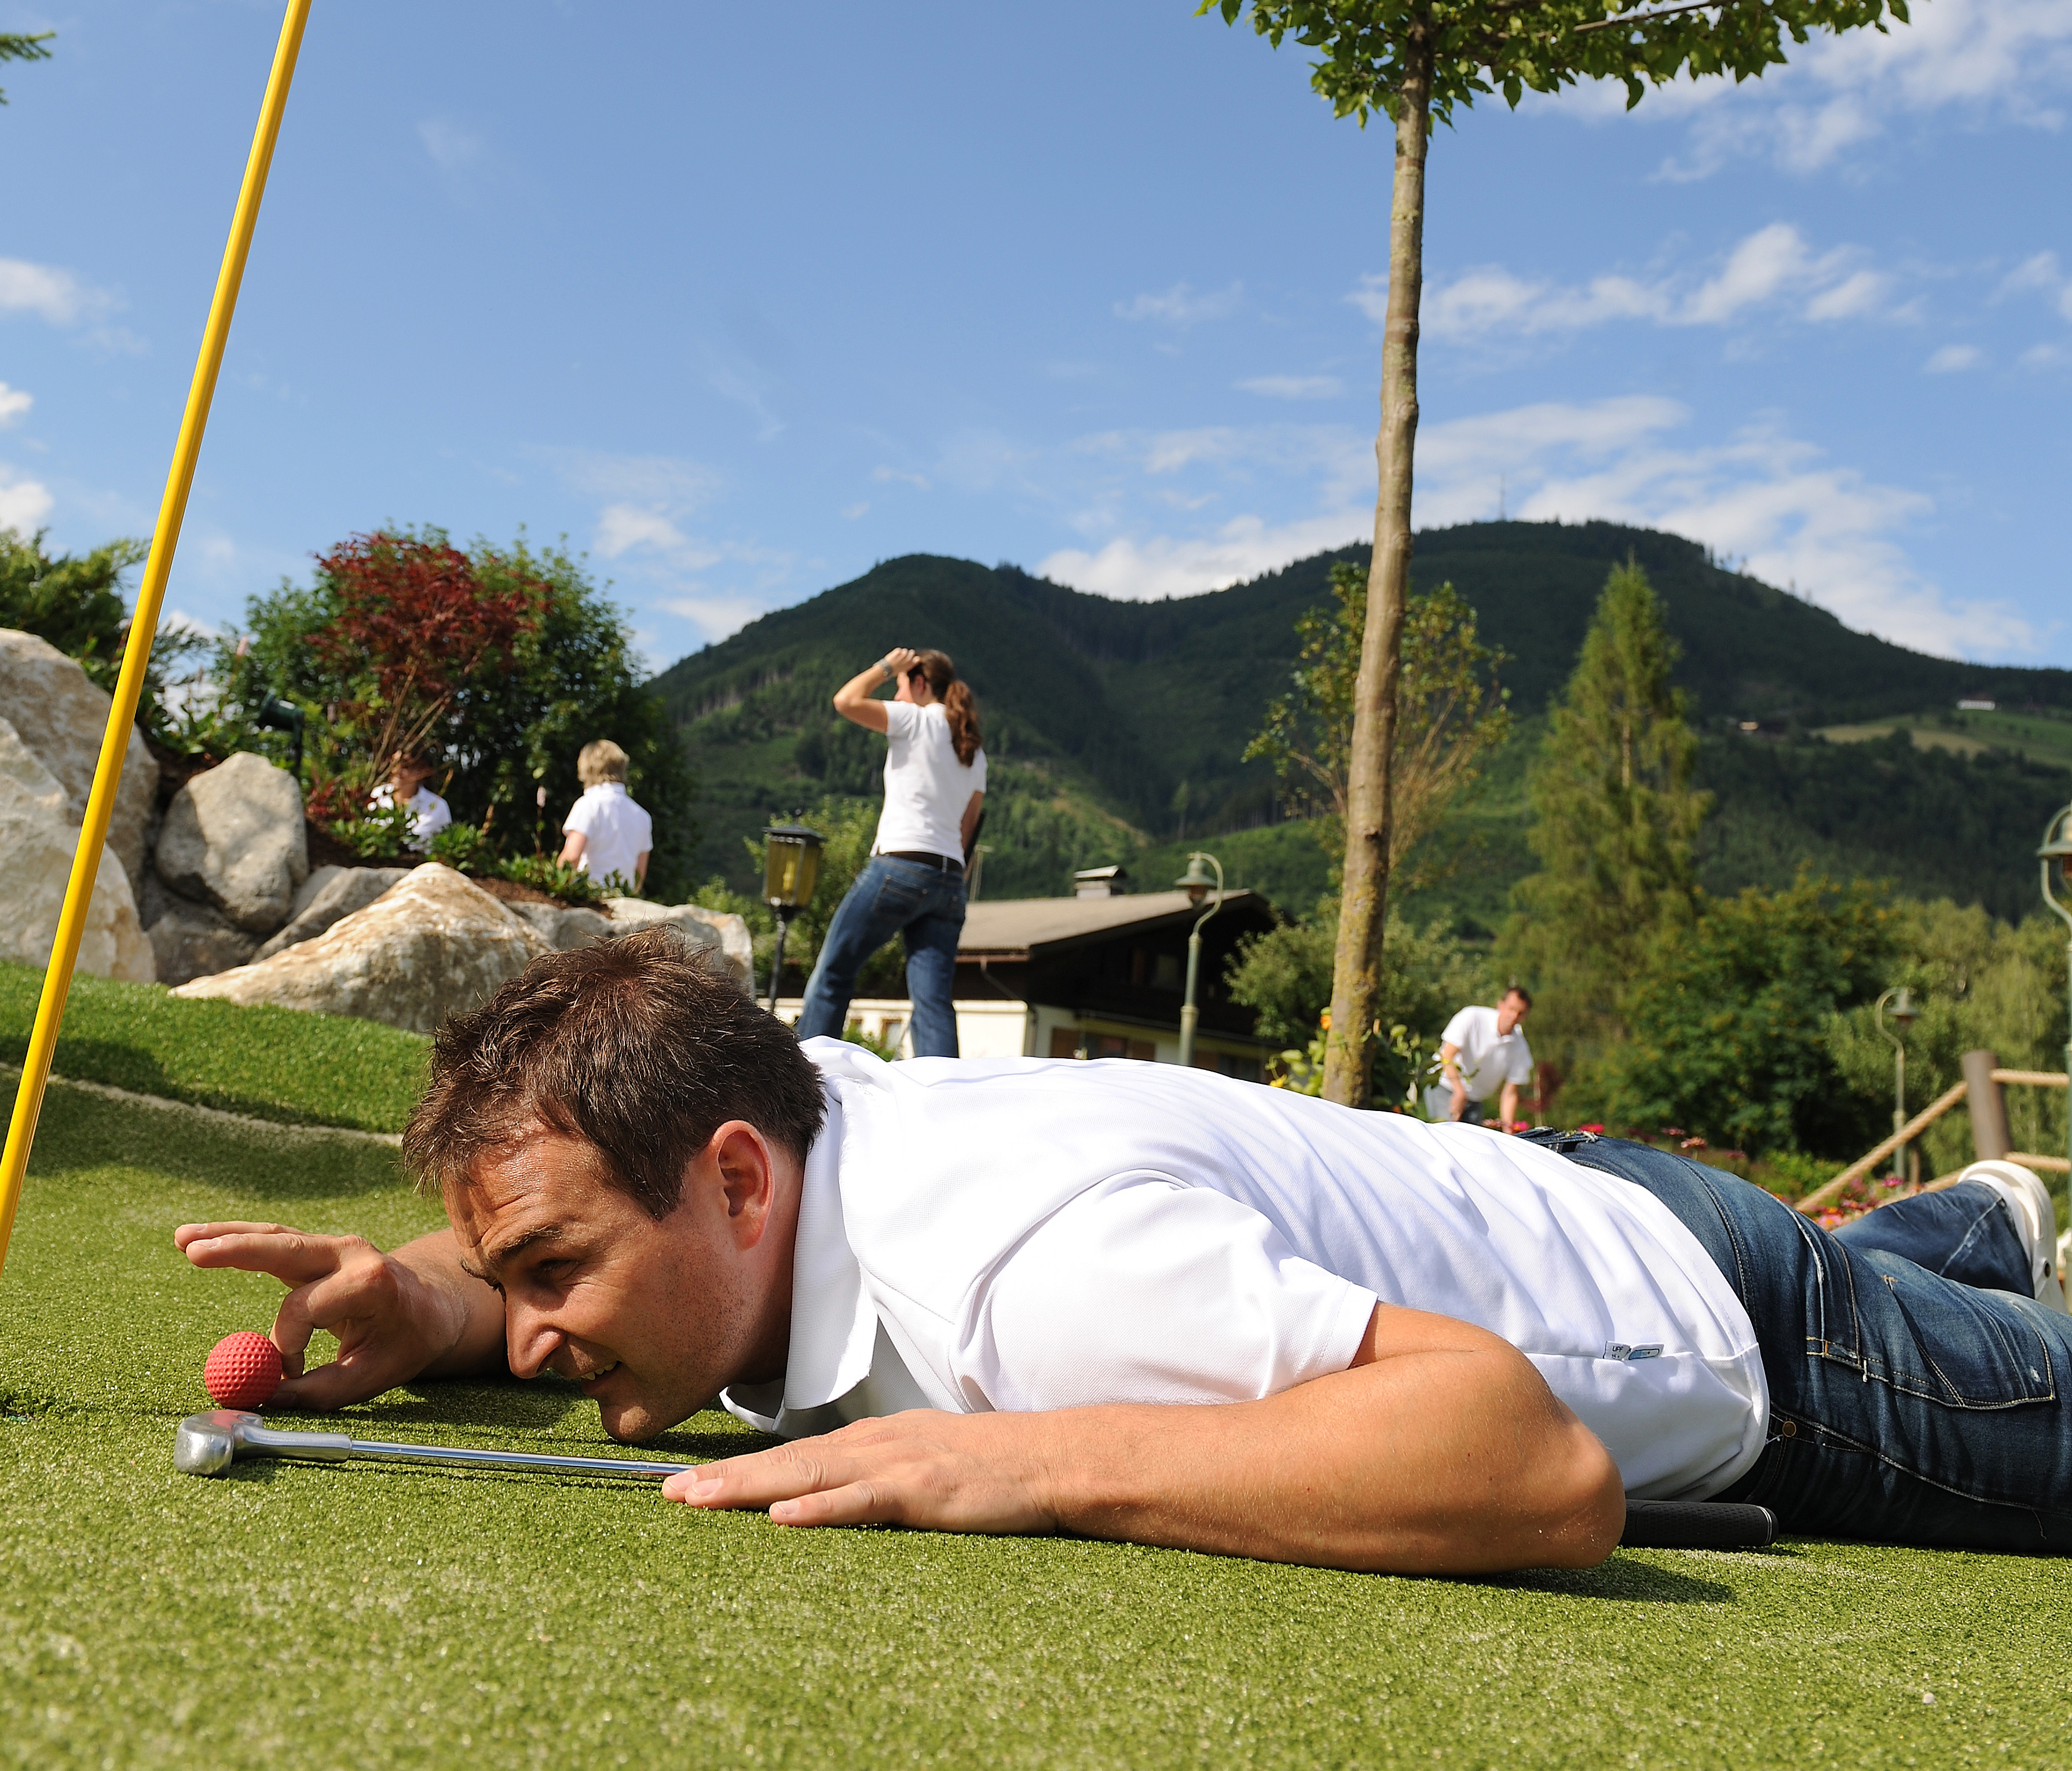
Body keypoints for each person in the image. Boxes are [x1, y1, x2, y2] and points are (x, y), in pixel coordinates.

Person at [174, 940, 2072, 1570]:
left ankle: (1962, 1257)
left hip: (1737, 1330)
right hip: (1513, 1188)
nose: (530, 1337)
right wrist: (437, 1287)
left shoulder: (1035, 1287)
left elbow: (1527, 1452)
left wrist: (1021, 1446)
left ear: (737, 1181)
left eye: (552, 1276)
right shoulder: (795, 1098)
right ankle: (1974, 1213)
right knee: (1931, 1251)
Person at [795, 645, 986, 1059]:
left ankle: (800, 1082)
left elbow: (845, 701)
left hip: (901, 867)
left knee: (833, 974)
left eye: (900, 686)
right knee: (933, 1001)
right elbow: (966, 831)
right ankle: (947, 1094)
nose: (897, 696)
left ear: (919, 684)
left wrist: (884, 666)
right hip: (950, 878)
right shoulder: (972, 749)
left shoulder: (915, 720)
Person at [1430, 986, 1533, 1128]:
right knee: (1444, 1139)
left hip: (1476, 1101)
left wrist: (1508, 1132)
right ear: (1500, 1005)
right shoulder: (1472, 1017)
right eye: (1511, 1009)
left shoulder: (1520, 1046)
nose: (1514, 1016)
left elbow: (1510, 1093)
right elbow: (1447, 1055)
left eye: (1520, 1013)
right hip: (1444, 1088)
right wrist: (1459, 1091)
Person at [561, 740, 652, 889]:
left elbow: (571, 858)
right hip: (624, 899)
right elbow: (639, 876)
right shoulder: (643, 816)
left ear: (587, 768)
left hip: (589, 895)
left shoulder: (588, 805)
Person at [373, 752, 449, 846]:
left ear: (422, 771)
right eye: (394, 763)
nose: (397, 770)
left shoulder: (438, 806)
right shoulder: (376, 795)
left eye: (406, 766)